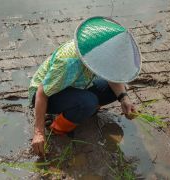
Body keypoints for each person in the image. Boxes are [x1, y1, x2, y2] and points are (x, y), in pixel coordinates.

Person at [29, 16, 141, 156]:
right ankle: (57, 127)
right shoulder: (69, 63)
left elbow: (111, 75)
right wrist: (38, 132)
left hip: (75, 85)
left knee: (117, 90)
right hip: (48, 94)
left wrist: (124, 99)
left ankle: (78, 111)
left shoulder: (99, 51)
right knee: (88, 102)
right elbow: (42, 92)